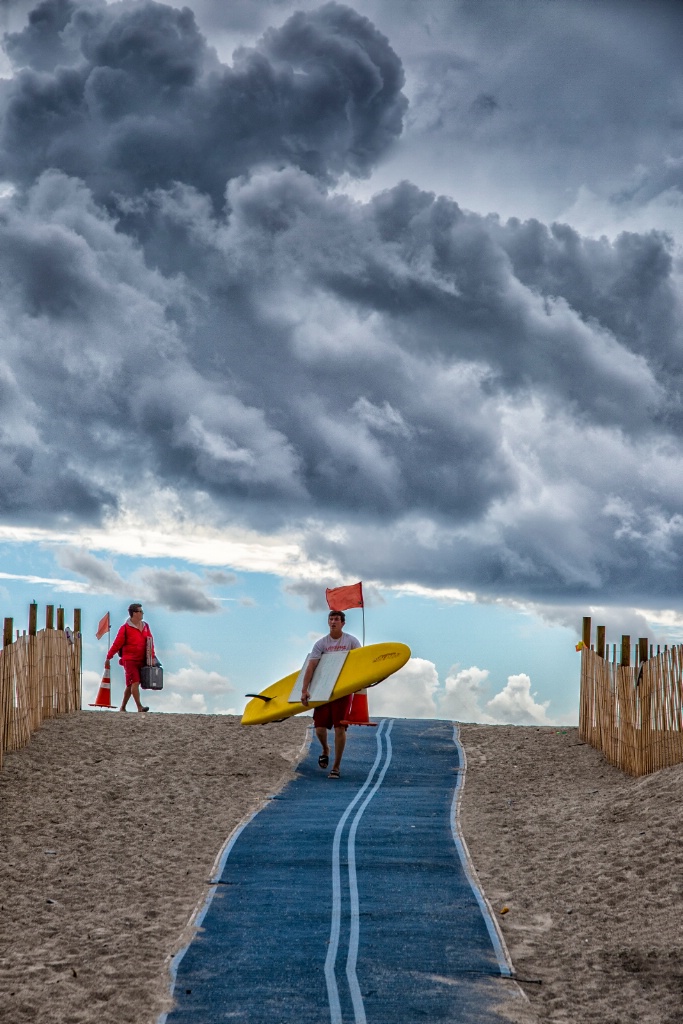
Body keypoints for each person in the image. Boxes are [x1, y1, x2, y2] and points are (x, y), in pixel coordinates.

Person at [301, 610, 360, 779]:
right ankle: (326, 749)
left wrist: (358, 683)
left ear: (343, 623)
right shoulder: (321, 644)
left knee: (340, 727)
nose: (333, 622)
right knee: (319, 728)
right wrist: (305, 690)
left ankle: (336, 766)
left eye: (336, 619)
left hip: (341, 690)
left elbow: (359, 663)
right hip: (323, 688)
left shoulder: (351, 641)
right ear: (328, 622)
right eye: (331, 619)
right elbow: (311, 667)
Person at [107, 603, 155, 713]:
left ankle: (123, 707)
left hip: (142, 659)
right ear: (134, 613)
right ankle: (139, 707)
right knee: (135, 682)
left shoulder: (145, 626)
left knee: (130, 684)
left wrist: (152, 656)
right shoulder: (125, 628)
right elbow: (117, 644)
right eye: (140, 611)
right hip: (129, 660)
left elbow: (150, 642)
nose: (142, 613)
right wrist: (109, 656)